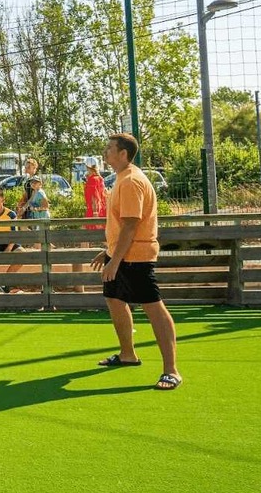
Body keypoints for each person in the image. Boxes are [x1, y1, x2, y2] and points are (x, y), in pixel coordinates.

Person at [91, 133, 181, 391]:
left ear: (123, 154)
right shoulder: (122, 177)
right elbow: (122, 225)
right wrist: (109, 252)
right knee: (114, 299)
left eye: (110, 148)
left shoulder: (131, 181)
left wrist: (115, 261)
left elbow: (131, 225)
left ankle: (171, 371)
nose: (106, 152)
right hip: (121, 255)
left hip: (136, 258)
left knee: (154, 308)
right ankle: (128, 354)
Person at [78, 155, 108, 293]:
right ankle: (86, 258)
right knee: (92, 234)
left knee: (89, 234)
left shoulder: (92, 180)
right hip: (100, 210)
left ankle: (85, 259)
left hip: (93, 211)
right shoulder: (100, 178)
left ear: (88, 167)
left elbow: (94, 197)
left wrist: (95, 212)